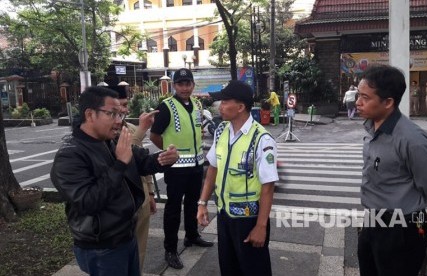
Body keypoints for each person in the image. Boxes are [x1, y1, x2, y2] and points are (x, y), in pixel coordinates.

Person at [50, 86, 179, 276]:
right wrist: (119, 164)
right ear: (90, 114)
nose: (119, 121)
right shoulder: (70, 155)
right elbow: (88, 202)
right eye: (112, 114)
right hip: (101, 245)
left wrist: (162, 159)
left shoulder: (109, 140)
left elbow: (142, 160)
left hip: (126, 234)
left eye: (120, 114)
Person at [355, 65, 427, 276]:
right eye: (359, 95)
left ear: (388, 103)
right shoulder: (372, 126)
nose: (358, 102)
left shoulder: (411, 139)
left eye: (365, 98)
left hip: (402, 229)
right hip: (373, 220)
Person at [197, 80, 278, 276]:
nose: (220, 106)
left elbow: (268, 187)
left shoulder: (262, 139)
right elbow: (212, 170)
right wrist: (202, 203)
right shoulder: (221, 131)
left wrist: (261, 226)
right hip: (225, 216)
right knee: (229, 268)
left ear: (241, 107)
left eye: (225, 102)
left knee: (254, 270)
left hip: (249, 220)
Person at [150, 68, 213, 270]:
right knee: (173, 209)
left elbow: (195, 130)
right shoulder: (166, 106)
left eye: (188, 83)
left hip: (196, 166)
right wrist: (169, 153)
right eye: (180, 84)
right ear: (174, 86)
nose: (185, 87)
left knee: (193, 204)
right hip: (176, 168)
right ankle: (170, 249)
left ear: (193, 85)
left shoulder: (196, 104)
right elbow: (154, 135)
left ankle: (192, 236)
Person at [110, 85, 157, 270]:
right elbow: (124, 155)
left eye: (125, 104)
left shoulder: (130, 127)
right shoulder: (104, 134)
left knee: (140, 250)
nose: (125, 109)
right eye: (119, 106)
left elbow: (141, 161)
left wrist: (151, 193)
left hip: (141, 198)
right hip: (120, 204)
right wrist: (143, 128)